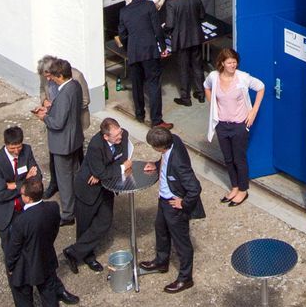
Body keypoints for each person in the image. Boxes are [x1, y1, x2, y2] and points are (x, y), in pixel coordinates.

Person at [3, 178, 77, 307]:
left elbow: (13, 250)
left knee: (24, 304)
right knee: (49, 296)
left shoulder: (21, 221)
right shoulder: (52, 208)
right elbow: (53, 232)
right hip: (45, 259)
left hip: (24, 267)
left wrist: (10, 267)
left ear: (27, 197)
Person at [136, 125, 204, 293]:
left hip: (174, 205)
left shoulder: (179, 163)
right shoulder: (173, 140)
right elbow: (165, 161)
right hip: (164, 200)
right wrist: (157, 165)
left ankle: (185, 278)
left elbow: (195, 187)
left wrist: (184, 203)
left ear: (160, 146)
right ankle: (161, 261)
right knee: (160, 229)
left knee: (182, 243)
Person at [62, 118, 131, 274]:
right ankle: (86, 255)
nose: (120, 137)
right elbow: (105, 170)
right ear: (106, 137)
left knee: (104, 222)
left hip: (106, 189)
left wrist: (103, 173)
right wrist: (116, 169)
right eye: (116, 136)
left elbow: (122, 157)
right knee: (84, 225)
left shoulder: (123, 135)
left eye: (120, 132)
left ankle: (73, 252)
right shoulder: (95, 145)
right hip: (87, 189)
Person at [205, 48, 266, 206]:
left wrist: (253, 111)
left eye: (235, 62)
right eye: (230, 62)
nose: (233, 65)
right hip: (222, 124)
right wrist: (213, 105)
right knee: (228, 158)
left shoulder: (242, 77)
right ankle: (235, 186)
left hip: (239, 125)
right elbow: (206, 87)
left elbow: (261, 87)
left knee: (239, 158)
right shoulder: (214, 77)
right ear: (222, 63)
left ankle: (243, 190)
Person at [36, 59, 84, 225]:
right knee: (75, 175)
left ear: (61, 76)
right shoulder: (75, 86)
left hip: (63, 144)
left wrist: (44, 118)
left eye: (54, 76)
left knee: (64, 181)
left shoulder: (64, 93)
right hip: (74, 139)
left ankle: (68, 214)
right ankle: (79, 205)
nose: (52, 79)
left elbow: (57, 123)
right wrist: (51, 109)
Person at [117, 0, 170, 128]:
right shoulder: (148, 6)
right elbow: (157, 28)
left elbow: (122, 34)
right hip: (149, 50)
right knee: (153, 84)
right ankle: (156, 119)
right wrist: (163, 46)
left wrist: (129, 48)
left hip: (134, 52)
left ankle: (139, 114)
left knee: (137, 84)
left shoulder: (124, 12)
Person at [0, 125, 42, 252]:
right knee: (9, 244)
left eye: (19, 147)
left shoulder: (27, 150)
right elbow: (1, 194)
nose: (16, 151)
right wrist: (24, 181)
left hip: (25, 203)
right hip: (7, 208)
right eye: (12, 148)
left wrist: (12, 185)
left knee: (30, 240)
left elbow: (37, 178)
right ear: (5, 144)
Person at [162, 0, 206, 106]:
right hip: (196, 37)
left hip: (181, 41)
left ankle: (186, 97)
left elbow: (169, 25)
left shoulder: (171, 3)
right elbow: (202, 15)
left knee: (183, 68)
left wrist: (164, 28)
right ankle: (201, 93)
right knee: (198, 66)